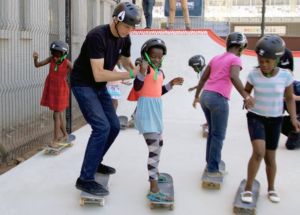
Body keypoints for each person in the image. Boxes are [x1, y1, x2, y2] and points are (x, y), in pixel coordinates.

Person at [70, 2, 141, 196]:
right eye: (127, 26)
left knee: (114, 127)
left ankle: (95, 161)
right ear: (116, 20)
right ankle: (85, 179)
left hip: (99, 87)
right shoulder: (97, 36)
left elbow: (126, 61)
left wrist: (135, 67)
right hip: (83, 84)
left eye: (132, 27)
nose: (129, 31)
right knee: (101, 127)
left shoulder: (125, 38)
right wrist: (129, 75)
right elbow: (99, 74)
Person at [241, 35, 300, 204]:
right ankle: (248, 188)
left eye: (268, 61)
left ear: (277, 59)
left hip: (275, 120)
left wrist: (294, 119)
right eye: (261, 60)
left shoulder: (285, 77)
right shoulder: (253, 74)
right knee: (259, 152)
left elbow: (289, 98)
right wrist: (247, 98)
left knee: (270, 158)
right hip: (256, 117)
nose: (264, 65)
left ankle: (271, 188)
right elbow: (246, 91)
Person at [193, 32, 253, 177]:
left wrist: (196, 96)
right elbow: (234, 76)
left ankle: (210, 163)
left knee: (212, 133)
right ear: (240, 47)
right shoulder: (236, 59)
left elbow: (203, 79)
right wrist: (246, 95)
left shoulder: (216, 58)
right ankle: (213, 169)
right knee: (218, 135)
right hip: (218, 99)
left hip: (205, 96)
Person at [134, 38, 184, 202]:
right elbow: (137, 88)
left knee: (159, 144)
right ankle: (154, 189)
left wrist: (171, 84)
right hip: (146, 113)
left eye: (159, 57)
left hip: (156, 112)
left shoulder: (160, 71)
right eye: (153, 56)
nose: (156, 59)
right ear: (146, 55)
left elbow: (157, 91)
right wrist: (141, 72)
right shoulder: (144, 69)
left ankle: (155, 174)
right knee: (154, 149)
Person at [33, 41, 73, 148]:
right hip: (52, 87)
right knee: (58, 114)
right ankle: (65, 135)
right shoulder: (51, 59)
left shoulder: (67, 63)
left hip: (60, 89)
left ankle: (55, 140)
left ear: (63, 55)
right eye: (54, 55)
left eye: (57, 56)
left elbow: (77, 71)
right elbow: (37, 65)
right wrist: (35, 58)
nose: (55, 58)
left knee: (56, 114)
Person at [188, 55, 208, 130]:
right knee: (204, 105)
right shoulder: (203, 71)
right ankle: (209, 122)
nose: (194, 70)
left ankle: (211, 123)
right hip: (207, 92)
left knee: (206, 104)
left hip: (212, 92)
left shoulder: (206, 70)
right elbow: (202, 82)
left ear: (199, 66)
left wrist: (196, 96)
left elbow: (203, 82)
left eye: (194, 68)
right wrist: (194, 88)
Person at [127, 57, 142, 125]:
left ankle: (135, 114)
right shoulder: (139, 71)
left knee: (141, 101)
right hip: (140, 89)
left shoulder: (139, 71)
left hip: (138, 88)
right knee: (142, 101)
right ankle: (135, 114)